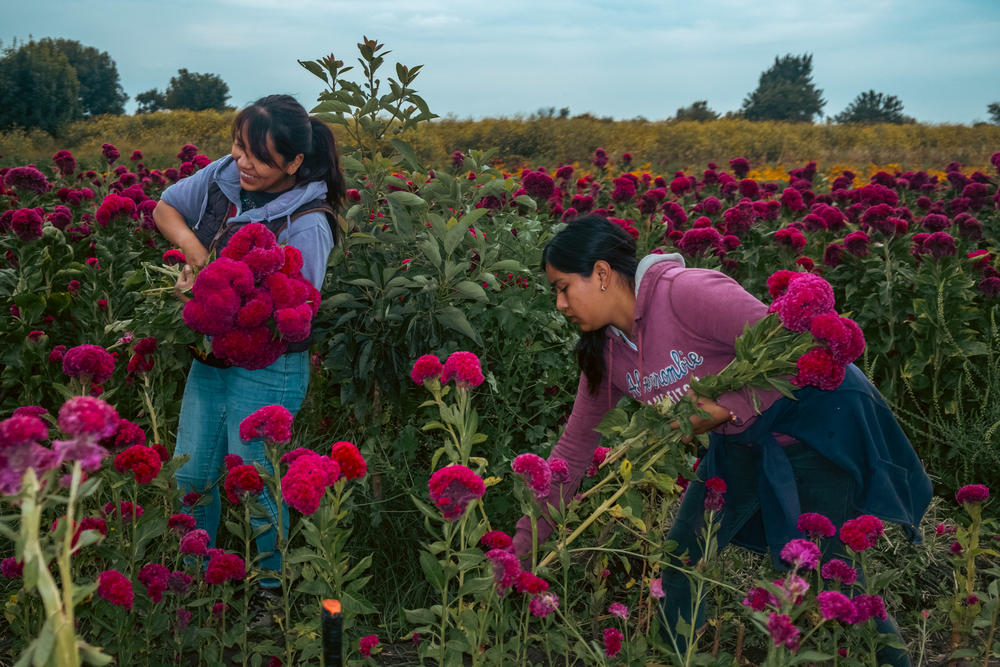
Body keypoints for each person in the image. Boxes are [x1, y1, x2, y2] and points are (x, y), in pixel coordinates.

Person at [512, 214, 931, 665]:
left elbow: (796, 350)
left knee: (831, 573)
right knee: (681, 562)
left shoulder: (686, 292)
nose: (559, 303)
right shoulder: (606, 353)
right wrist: (519, 555)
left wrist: (722, 407)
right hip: (740, 443)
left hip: (817, 423)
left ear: (599, 273)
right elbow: (571, 454)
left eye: (561, 287)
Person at [153, 94, 345, 607]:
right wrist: (202, 262)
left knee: (255, 483)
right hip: (212, 359)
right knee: (191, 474)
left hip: (269, 366)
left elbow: (289, 316)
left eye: (257, 156)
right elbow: (165, 207)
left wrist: (212, 292)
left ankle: (270, 596)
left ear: (294, 163)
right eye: (239, 147)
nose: (243, 162)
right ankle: (189, 584)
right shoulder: (224, 176)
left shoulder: (309, 223)